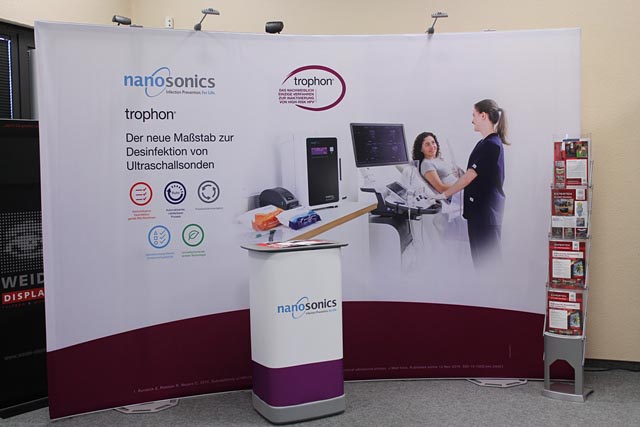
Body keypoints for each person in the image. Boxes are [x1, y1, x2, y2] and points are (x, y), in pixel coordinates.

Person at [437, 99, 509, 267]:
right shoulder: (484, 143)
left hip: (485, 215)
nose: (472, 120)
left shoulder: (491, 145)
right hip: (480, 214)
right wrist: (462, 173)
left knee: (487, 264)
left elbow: (470, 177)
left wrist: (444, 194)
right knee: (481, 262)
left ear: (483, 116)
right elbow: (478, 174)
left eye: (474, 115)